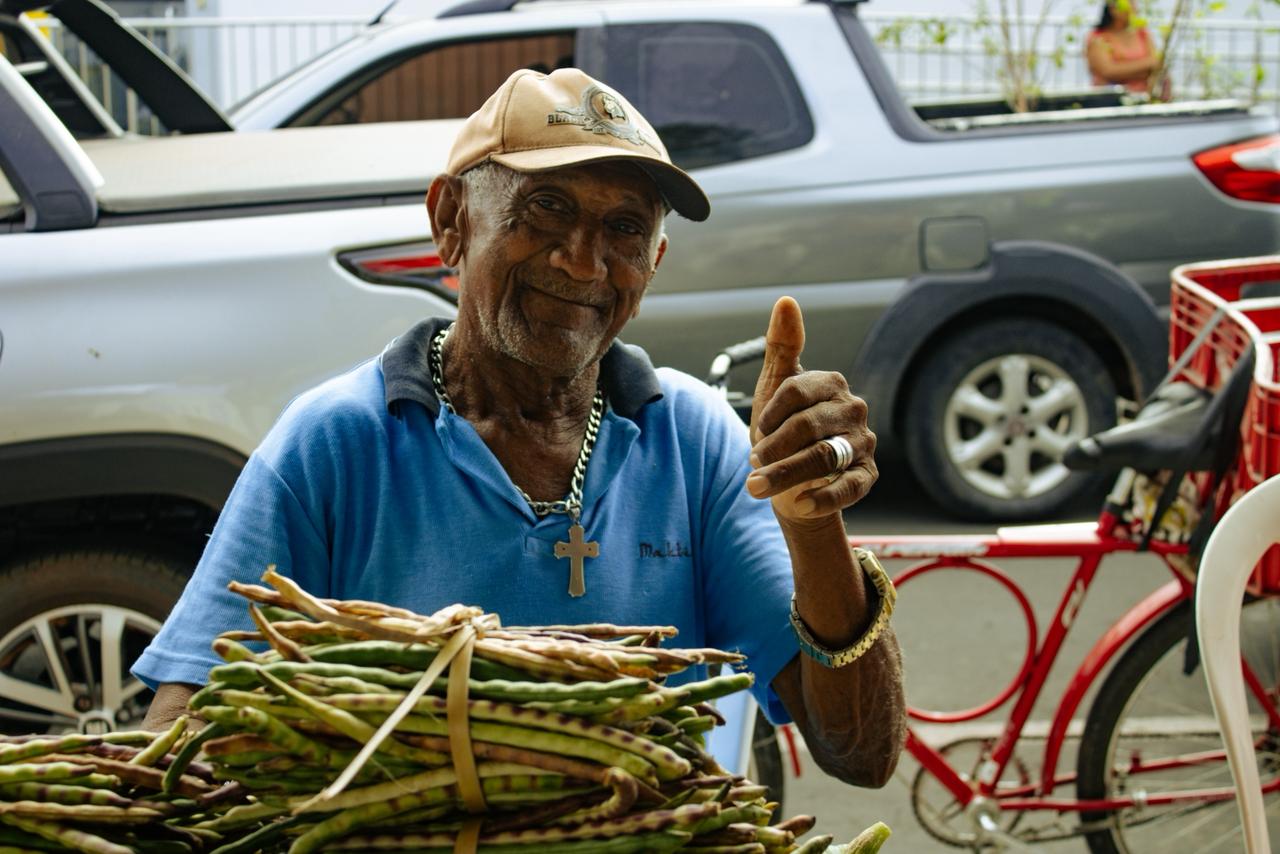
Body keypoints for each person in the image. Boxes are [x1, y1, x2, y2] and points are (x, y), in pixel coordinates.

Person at [134, 68, 906, 787]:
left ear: (655, 259)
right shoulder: (335, 443)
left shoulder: (695, 441)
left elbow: (860, 753)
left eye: (625, 230)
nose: (583, 262)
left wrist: (814, 528)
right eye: (548, 209)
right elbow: (184, 735)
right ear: (451, 221)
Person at [1086, 0, 1162, 95]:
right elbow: (1108, 71)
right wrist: (1146, 66)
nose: (1133, 9)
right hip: (1111, 98)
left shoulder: (1142, 33)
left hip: (1143, 96)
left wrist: (1124, 70)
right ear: (1112, 8)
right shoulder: (1099, 38)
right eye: (1128, 3)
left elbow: (1156, 64)